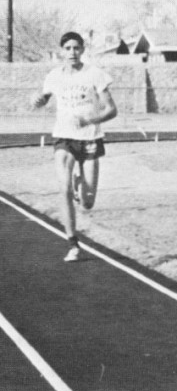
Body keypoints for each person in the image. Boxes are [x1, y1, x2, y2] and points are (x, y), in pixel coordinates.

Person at [33, 32, 118, 262]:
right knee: (64, 190)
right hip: (64, 138)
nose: (72, 52)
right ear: (62, 50)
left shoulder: (95, 74)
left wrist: (89, 120)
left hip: (90, 138)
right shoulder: (54, 76)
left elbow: (111, 110)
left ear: (82, 49)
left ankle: (81, 186)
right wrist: (37, 101)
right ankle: (73, 243)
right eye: (68, 48)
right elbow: (43, 98)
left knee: (88, 203)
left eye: (76, 48)